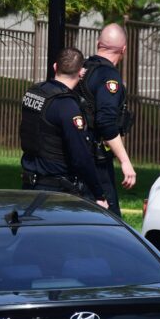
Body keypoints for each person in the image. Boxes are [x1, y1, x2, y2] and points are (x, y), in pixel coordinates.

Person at [20, 46, 109, 208]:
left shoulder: (34, 92)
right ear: (81, 72)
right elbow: (81, 155)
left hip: (29, 184)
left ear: (55, 67)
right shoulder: (66, 106)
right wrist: (99, 195)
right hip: (55, 192)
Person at [81, 23, 136, 217]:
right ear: (124, 50)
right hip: (96, 163)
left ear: (98, 44)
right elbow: (106, 122)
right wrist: (125, 162)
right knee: (109, 223)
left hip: (76, 156)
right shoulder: (109, 78)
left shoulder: (82, 68)